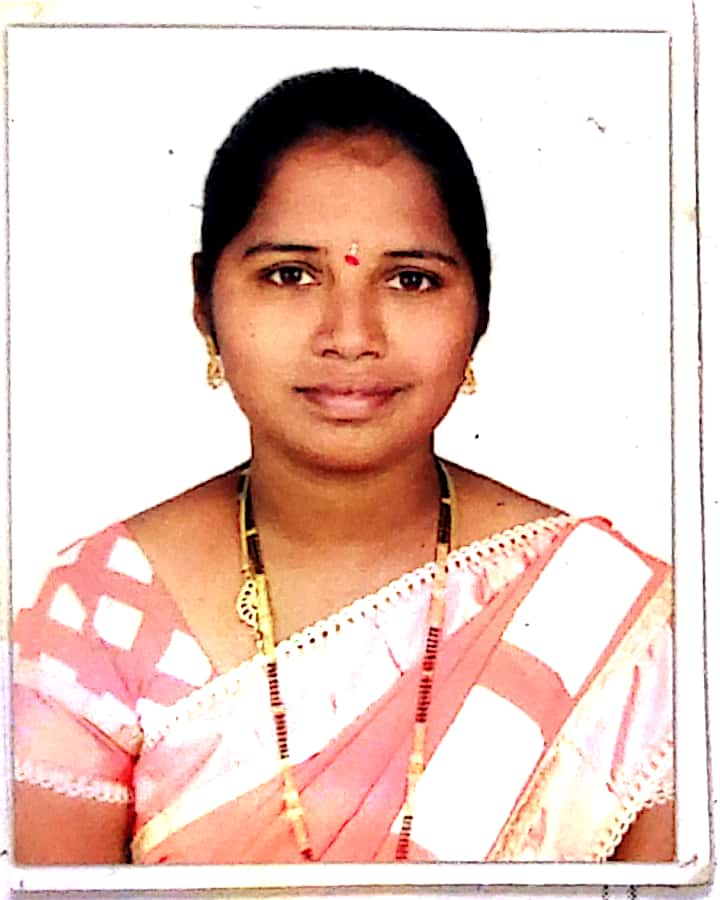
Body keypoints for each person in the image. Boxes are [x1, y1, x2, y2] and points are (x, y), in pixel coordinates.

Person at [12, 67, 673, 865]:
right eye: (290, 275)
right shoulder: (95, 615)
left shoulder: (619, 623)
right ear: (203, 302)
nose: (351, 335)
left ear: (481, 308)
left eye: (410, 279)